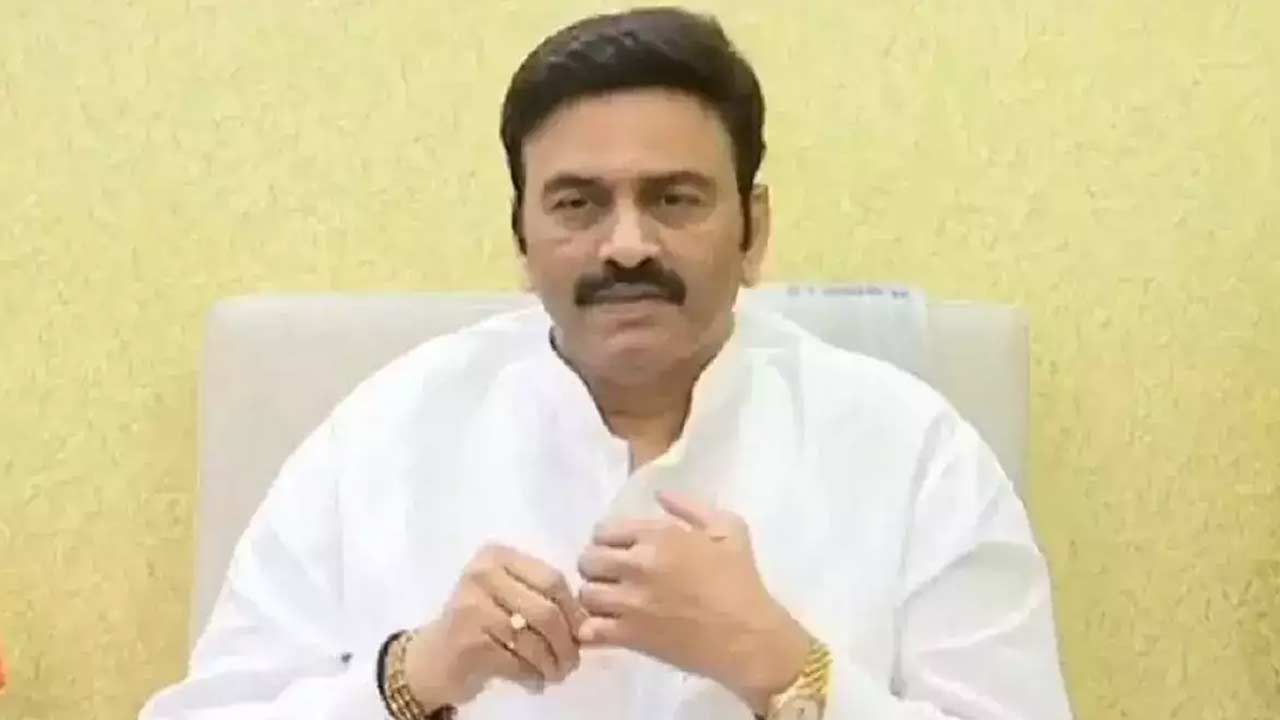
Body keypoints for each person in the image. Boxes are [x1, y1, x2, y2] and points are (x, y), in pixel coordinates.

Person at [141, 7, 1073, 719]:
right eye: (578, 204)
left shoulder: (914, 453)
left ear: (753, 231)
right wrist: (416, 675)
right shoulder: (378, 440)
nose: (627, 245)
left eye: (674, 199)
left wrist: (784, 668)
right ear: (522, 240)